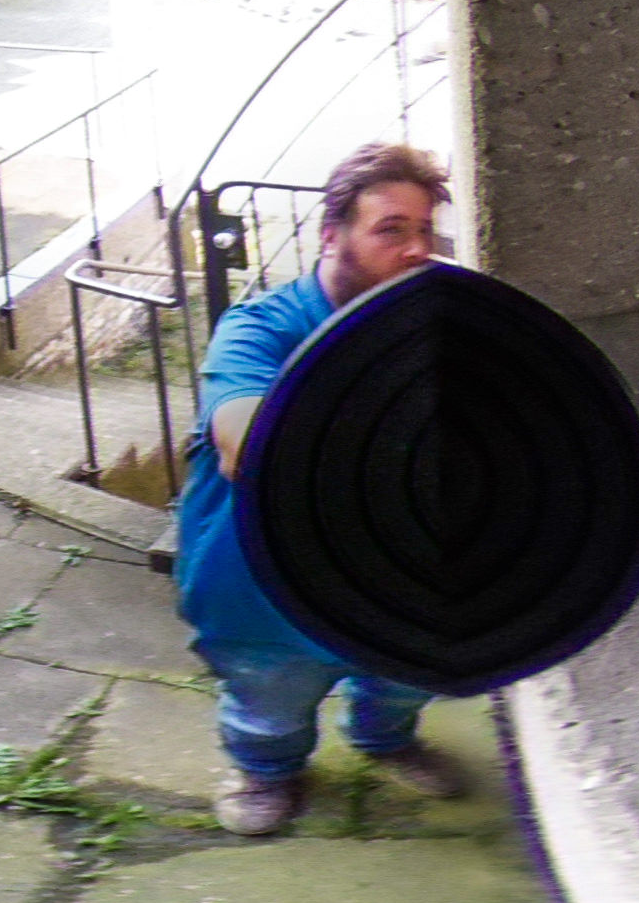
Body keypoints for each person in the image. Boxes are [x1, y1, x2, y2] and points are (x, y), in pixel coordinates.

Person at [173, 141, 473, 834]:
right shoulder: (259, 330)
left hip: (395, 571)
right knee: (270, 694)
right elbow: (244, 446)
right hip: (264, 584)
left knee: (406, 670)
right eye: (391, 230)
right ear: (332, 235)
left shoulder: (435, 329)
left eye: (424, 230)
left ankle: (383, 738)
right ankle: (266, 769)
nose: (417, 249)